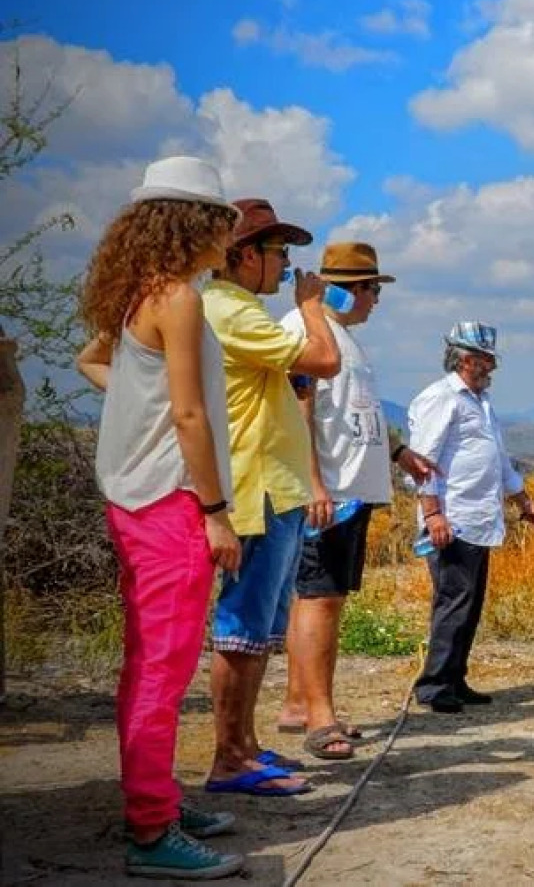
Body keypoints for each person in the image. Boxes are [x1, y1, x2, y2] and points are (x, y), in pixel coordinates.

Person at [74, 156, 246, 878]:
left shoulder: (135, 293)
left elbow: (94, 363)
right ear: (196, 222)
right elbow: (188, 413)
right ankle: (152, 832)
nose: (230, 236)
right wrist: (215, 513)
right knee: (162, 671)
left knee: (149, 662)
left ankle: (156, 801)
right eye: (224, 221)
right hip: (169, 503)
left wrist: (133, 407)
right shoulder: (179, 298)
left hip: (135, 499)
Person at [200, 197, 341, 796]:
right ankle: (230, 757)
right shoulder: (231, 310)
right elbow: (324, 359)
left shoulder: (236, 310)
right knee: (241, 629)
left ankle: (246, 748)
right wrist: (310, 309)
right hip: (255, 487)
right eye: (279, 251)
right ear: (245, 255)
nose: (287, 264)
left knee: (258, 630)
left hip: (272, 487)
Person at [275, 242, 436, 760]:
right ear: (344, 288)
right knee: (318, 597)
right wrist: (314, 484)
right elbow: (298, 413)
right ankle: (320, 718)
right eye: (370, 288)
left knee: (323, 597)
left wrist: (399, 451)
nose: (375, 300)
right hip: (330, 491)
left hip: (351, 488)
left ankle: (302, 701)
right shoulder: (304, 332)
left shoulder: (344, 339)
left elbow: (355, 408)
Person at [407, 322, 534, 713]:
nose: (493, 369)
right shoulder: (441, 399)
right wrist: (433, 514)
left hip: (479, 520)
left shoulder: (480, 404)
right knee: (454, 601)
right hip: (453, 520)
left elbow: (499, 463)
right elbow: (421, 462)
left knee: (469, 602)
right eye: (487, 361)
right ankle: (435, 685)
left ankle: (454, 678)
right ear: (467, 360)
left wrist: (525, 502)